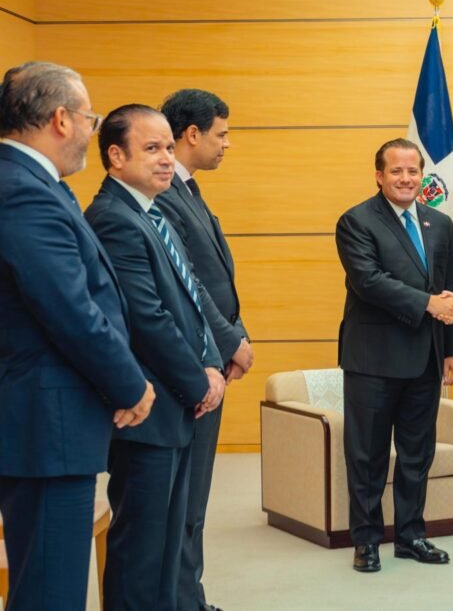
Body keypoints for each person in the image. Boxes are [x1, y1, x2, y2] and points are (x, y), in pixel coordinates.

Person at [0, 62, 155, 610]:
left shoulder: (37, 185)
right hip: (47, 425)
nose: (93, 130)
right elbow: (69, 309)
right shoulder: (23, 191)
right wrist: (129, 384)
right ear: (62, 119)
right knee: (51, 590)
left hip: (50, 421)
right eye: (91, 118)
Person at [84, 104, 226, 610]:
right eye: (152, 148)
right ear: (116, 156)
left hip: (175, 403)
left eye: (168, 147)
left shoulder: (151, 212)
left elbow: (191, 297)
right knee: (141, 551)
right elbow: (147, 319)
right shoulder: (113, 218)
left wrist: (211, 362)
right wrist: (199, 381)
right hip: (149, 408)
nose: (167, 158)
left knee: (167, 545)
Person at [335, 138, 453, 573]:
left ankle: (411, 536)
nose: (406, 179)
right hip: (372, 361)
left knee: (416, 454)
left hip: (426, 359)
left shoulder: (439, 223)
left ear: (422, 175)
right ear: (379, 176)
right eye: (396, 171)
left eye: (413, 171)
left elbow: (451, 287)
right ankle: (367, 540)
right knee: (367, 456)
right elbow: (369, 282)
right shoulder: (356, 221)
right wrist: (428, 304)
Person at [158, 89, 252, 611]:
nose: (227, 144)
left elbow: (216, 278)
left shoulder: (188, 190)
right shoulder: (165, 194)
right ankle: (180, 598)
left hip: (210, 356)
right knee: (181, 498)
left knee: (194, 497)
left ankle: (189, 595)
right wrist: (230, 340)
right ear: (191, 134)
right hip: (190, 364)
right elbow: (187, 282)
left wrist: (236, 333)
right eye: (222, 134)